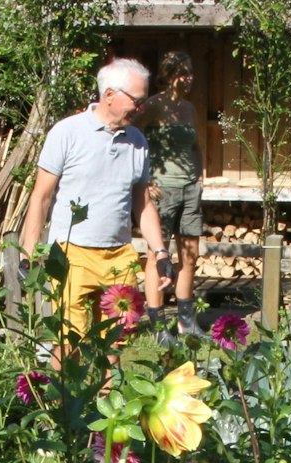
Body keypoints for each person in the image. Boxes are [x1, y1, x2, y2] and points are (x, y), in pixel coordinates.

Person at [21, 58, 172, 347]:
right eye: (137, 101)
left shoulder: (137, 140)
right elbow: (40, 197)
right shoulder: (67, 133)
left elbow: (143, 203)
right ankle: (66, 394)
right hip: (71, 254)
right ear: (110, 95)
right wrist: (28, 254)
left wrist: (161, 252)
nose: (141, 108)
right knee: (70, 345)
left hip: (118, 256)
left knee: (113, 344)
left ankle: (107, 393)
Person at [140, 50, 204, 337]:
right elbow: (133, 141)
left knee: (190, 256)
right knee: (158, 258)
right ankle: (158, 327)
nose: (188, 78)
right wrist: (145, 180)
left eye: (190, 72)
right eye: (182, 72)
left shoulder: (189, 109)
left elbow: (196, 146)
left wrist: (199, 178)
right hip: (162, 191)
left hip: (189, 189)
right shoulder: (153, 107)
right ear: (168, 76)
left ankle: (186, 323)